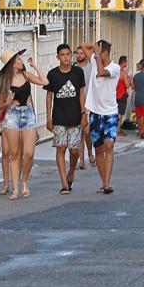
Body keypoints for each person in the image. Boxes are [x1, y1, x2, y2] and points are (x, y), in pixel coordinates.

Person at [0, 49, 47, 200]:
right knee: (14, 154)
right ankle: (16, 188)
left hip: (28, 115)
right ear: (12, 64)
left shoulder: (26, 75)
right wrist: (8, 102)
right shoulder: (4, 81)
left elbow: (45, 82)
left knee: (29, 153)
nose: (21, 61)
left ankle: (24, 181)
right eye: (19, 59)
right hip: (12, 116)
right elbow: (0, 106)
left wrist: (35, 66)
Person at [45, 43, 87, 194]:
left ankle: (71, 172)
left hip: (75, 116)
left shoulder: (78, 72)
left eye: (68, 54)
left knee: (74, 151)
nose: (65, 57)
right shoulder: (52, 74)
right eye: (62, 55)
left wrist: (84, 113)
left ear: (71, 55)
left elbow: (81, 93)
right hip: (59, 117)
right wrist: (48, 117)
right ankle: (64, 183)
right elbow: (49, 96)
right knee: (61, 148)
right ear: (58, 57)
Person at [81, 40, 121, 194]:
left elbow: (102, 72)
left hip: (110, 112)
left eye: (99, 53)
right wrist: (94, 46)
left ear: (105, 53)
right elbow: (83, 46)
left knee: (109, 146)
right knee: (98, 148)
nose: (97, 55)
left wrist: (96, 54)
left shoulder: (115, 68)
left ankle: (107, 183)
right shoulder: (94, 58)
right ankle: (104, 182)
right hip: (95, 112)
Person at [75, 45, 96, 169]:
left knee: (87, 132)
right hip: (76, 105)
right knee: (79, 134)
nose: (79, 55)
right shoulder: (74, 69)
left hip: (89, 104)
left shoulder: (91, 68)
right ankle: (81, 161)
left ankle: (90, 153)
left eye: (81, 53)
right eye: (77, 53)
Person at [116, 55, 130, 137]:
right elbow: (127, 85)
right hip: (121, 94)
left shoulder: (115, 69)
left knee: (115, 112)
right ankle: (118, 130)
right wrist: (129, 79)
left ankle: (116, 128)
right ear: (124, 62)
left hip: (114, 94)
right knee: (120, 113)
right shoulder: (123, 72)